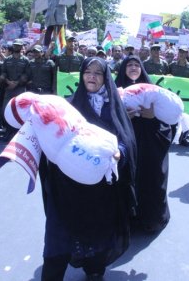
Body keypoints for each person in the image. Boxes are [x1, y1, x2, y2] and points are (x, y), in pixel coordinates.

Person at [39, 57, 136, 281]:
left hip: (99, 185)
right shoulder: (68, 105)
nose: (91, 76)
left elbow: (126, 139)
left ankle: (94, 269)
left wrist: (118, 151)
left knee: (97, 230)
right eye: (87, 72)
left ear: (106, 78)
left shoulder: (113, 108)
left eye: (98, 73)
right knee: (59, 235)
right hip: (67, 184)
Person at [116, 55, 171, 232]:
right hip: (126, 142)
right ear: (124, 69)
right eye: (129, 65)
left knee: (151, 178)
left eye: (136, 65)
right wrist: (123, 117)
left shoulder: (154, 91)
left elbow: (168, 119)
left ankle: (151, 219)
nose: (133, 67)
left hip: (149, 143)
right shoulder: (115, 91)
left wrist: (153, 116)